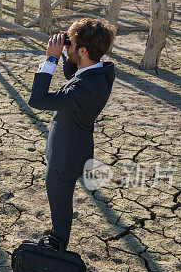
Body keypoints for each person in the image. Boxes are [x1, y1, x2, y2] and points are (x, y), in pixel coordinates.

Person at [27, 18, 116, 252]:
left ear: (84, 50)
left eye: (72, 44)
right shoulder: (98, 72)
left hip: (66, 157)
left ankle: (57, 250)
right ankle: (58, 241)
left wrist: (51, 59)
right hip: (74, 148)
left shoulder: (87, 88)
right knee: (61, 202)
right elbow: (73, 75)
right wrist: (68, 51)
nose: (67, 46)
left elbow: (38, 100)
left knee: (60, 206)